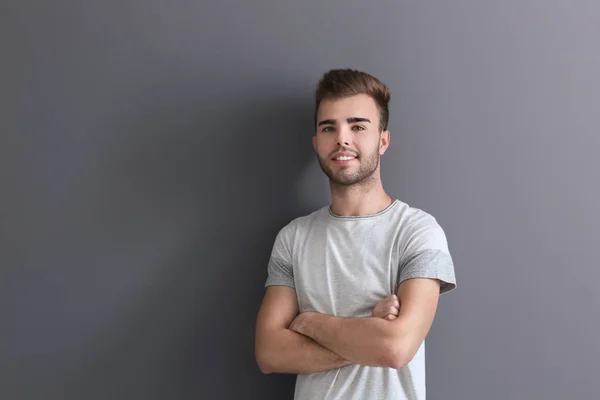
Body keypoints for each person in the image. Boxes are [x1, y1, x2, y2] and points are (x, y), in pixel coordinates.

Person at [254, 68, 457, 400]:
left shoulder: (418, 232)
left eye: (358, 126)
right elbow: (269, 353)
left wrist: (309, 324)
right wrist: (367, 331)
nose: (342, 138)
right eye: (329, 127)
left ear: (383, 139)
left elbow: (395, 348)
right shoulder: (293, 238)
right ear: (316, 142)